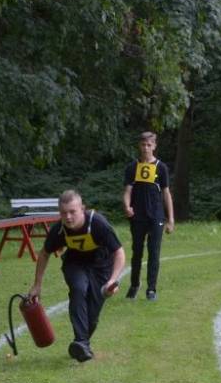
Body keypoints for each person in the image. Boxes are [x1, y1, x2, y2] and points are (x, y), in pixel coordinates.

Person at [28, 190, 125, 362]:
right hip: (75, 264)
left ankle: (82, 345)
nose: (68, 217)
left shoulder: (98, 223)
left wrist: (113, 279)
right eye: (63, 213)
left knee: (92, 315)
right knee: (78, 289)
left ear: (82, 209)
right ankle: (80, 341)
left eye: (72, 212)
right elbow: (44, 254)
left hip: (101, 266)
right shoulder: (59, 230)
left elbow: (119, 253)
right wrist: (37, 285)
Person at [122, 131, 174, 300]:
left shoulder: (161, 167)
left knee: (154, 252)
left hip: (156, 216)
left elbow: (166, 193)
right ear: (139, 146)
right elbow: (127, 191)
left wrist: (170, 219)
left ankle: (151, 289)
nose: (146, 148)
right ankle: (134, 285)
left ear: (154, 146)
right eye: (143, 145)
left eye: (149, 145)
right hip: (137, 216)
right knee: (137, 251)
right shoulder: (132, 167)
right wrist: (127, 206)